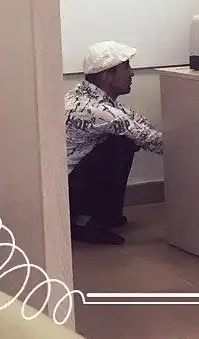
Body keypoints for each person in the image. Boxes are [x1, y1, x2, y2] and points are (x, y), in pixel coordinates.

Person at [64, 41, 163, 245]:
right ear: (107, 76)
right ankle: (84, 222)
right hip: (65, 191)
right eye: (126, 67)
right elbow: (151, 140)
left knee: (123, 140)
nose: (132, 73)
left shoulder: (85, 95)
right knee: (120, 143)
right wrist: (196, 143)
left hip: (65, 184)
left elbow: (138, 123)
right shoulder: (98, 111)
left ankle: (104, 215)